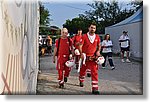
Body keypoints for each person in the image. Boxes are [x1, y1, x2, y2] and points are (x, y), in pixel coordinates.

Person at [78, 23, 101, 94]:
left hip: (93, 57)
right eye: (91, 27)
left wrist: (98, 51)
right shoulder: (84, 36)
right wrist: (81, 54)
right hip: (85, 57)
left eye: (94, 28)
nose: (92, 29)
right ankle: (81, 80)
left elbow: (99, 45)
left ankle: (95, 88)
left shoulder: (97, 37)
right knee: (82, 71)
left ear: (95, 29)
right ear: (89, 28)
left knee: (94, 72)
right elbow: (80, 46)